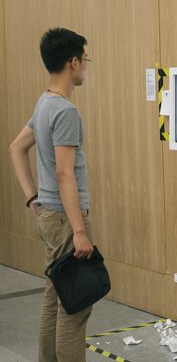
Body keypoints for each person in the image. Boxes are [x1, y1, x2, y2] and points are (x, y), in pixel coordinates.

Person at [9, 27, 94, 362]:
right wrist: (79, 230)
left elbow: (16, 148)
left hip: (47, 214)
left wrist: (32, 197)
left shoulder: (44, 103)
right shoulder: (65, 111)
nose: (86, 65)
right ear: (73, 62)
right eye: (85, 59)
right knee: (74, 307)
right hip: (64, 220)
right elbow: (64, 173)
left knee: (54, 297)